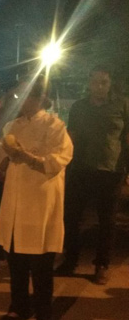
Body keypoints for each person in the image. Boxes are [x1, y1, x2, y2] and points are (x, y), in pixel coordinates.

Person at [0, 76, 73, 320]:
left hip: (40, 203)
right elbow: (3, 160)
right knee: (16, 259)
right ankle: (19, 305)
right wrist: (3, 159)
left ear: (40, 98)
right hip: (15, 201)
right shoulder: (12, 126)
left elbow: (59, 160)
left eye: (23, 96)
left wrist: (26, 157)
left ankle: (43, 314)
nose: (18, 101)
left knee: (40, 264)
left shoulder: (55, 126)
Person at [59, 65, 129, 284]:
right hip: (81, 168)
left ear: (110, 84)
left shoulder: (122, 105)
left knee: (107, 221)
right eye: (95, 82)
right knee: (72, 217)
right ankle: (70, 260)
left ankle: (102, 265)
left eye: (104, 82)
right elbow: (71, 137)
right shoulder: (79, 107)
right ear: (88, 83)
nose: (99, 86)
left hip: (111, 171)